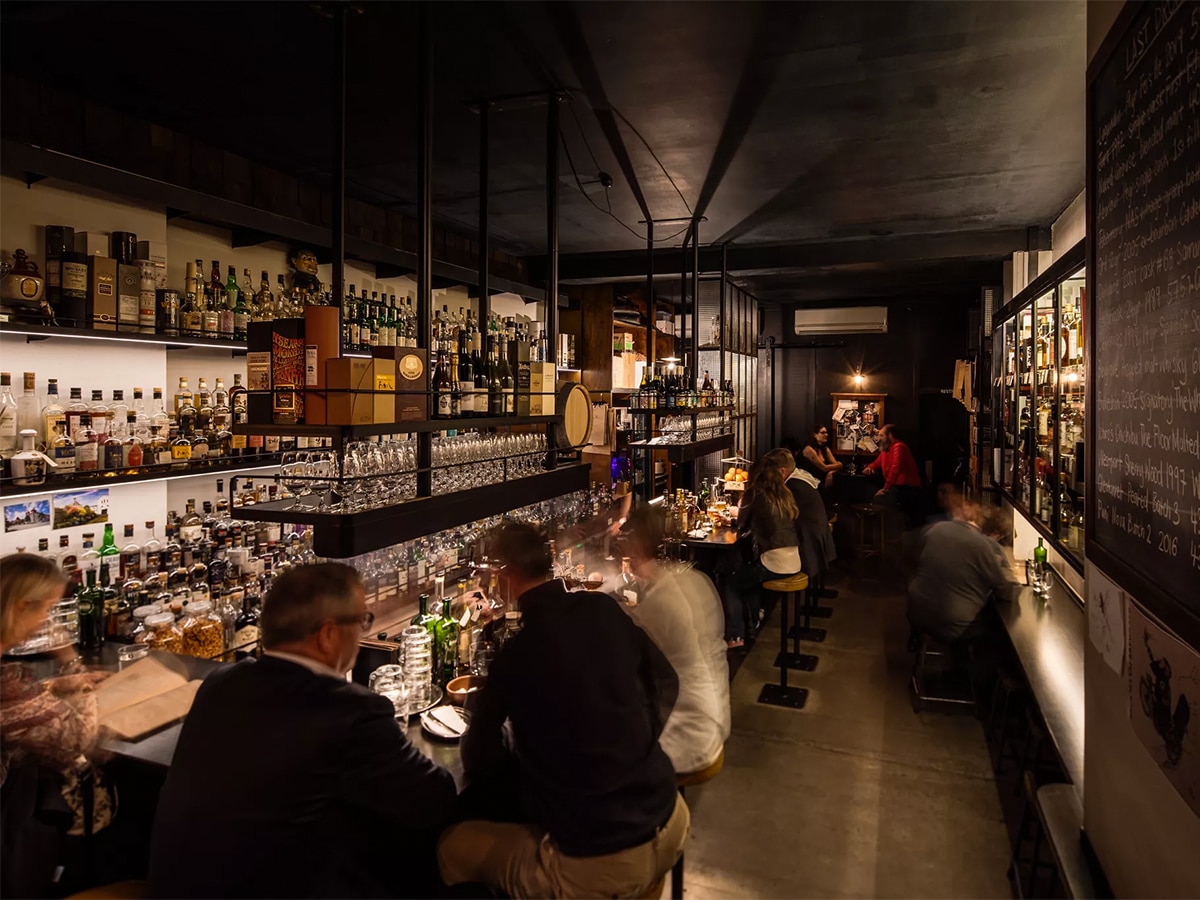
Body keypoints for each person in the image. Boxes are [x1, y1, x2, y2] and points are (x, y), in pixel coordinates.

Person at [149, 563, 456, 899]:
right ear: (327, 634)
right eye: (361, 621)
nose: (363, 630)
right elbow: (433, 799)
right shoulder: (351, 713)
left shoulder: (220, 683)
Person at [438, 521, 688, 899]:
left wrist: (542, 776)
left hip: (602, 861)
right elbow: (668, 680)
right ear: (549, 561)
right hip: (670, 819)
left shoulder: (517, 655)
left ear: (505, 576)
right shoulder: (602, 607)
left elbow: (480, 759)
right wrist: (633, 744)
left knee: (452, 848)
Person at [1, 554, 108, 899]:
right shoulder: (10, 686)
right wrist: (71, 664)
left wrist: (49, 688)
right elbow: (78, 740)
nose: (46, 622)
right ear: (21, 607)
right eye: (46, 610)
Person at [622, 503, 730, 776]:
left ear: (636, 546)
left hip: (686, 733)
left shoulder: (660, 600)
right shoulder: (694, 580)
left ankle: (657, 815)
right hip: (713, 714)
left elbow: (624, 658)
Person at [906, 503, 1016, 645]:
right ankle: (973, 665)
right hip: (953, 624)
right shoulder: (984, 545)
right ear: (995, 534)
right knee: (999, 627)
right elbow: (1005, 592)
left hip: (916, 612)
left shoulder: (938, 528)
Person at [724, 452, 802, 648]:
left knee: (731, 582)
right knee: (749, 575)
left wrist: (734, 514)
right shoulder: (785, 493)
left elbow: (742, 524)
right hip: (794, 560)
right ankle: (756, 618)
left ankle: (736, 636)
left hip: (774, 563)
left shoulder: (755, 493)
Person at [773, 449, 837, 581]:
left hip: (811, 545)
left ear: (782, 471)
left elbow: (781, 515)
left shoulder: (793, 486)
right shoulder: (799, 477)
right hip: (818, 537)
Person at [861, 423, 924, 526]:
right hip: (896, 487)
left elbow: (895, 469)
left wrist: (885, 488)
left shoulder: (899, 447)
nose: (879, 438)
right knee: (870, 494)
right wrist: (869, 468)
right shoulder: (886, 450)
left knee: (878, 499)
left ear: (890, 436)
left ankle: (884, 533)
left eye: (882, 435)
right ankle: (880, 532)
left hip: (907, 489)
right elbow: (877, 463)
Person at [798, 424, 843, 491]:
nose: (826, 435)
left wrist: (831, 472)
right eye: (822, 433)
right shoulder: (808, 449)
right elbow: (824, 468)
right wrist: (839, 465)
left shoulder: (825, 449)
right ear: (814, 435)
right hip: (810, 482)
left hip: (822, 481)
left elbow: (835, 464)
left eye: (826, 432)